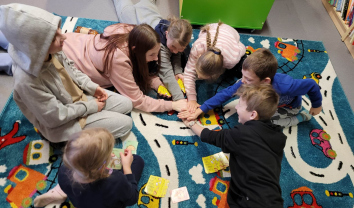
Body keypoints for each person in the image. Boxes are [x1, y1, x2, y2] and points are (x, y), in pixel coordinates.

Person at [0, 3, 133, 143]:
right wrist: (91, 107)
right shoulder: (27, 82)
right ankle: (68, 142)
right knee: (125, 124)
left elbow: (73, 70)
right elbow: (55, 117)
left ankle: (96, 116)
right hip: (64, 124)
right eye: (53, 38)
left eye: (58, 29)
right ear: (37, 47)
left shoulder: (52, 51)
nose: (63, 37)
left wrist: (93, 88)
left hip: (79, 100)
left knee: (126, 104)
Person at [181, 84, 286, 208]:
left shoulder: (241, 134)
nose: (236, 107)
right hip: (273, 200)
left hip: (249, 201)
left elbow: (210, 136)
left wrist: (191, 123)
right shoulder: (279, 136)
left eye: (240, 105)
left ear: (253, 115)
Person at [179, 48, 322, 128]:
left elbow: (311, 84)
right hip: (263, 102)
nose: (243, 81)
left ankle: (300, 118)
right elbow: (226, 93)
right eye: (243, 76)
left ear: (265, 81)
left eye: (248, 79)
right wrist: (201, 109)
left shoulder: (287, 86)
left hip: (287, 108)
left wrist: (317, 105)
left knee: (265, 126)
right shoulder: (246, 82)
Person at [63, 23, 187, 113]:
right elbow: (137, 100)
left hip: (73, 40)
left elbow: (138, 69)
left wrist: (156, 82)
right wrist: (173, 105)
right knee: (125, 104)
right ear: (135, 50)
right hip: (69, 59)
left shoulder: (133, 31)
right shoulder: (118, 60)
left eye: (157, 52)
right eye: (151, 55)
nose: (155, 58)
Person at [34, 128, 144, 208]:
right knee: (137, 160)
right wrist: (126, 167)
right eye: (109, 155)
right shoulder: (117, 180)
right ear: (101, 168)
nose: (111, 155)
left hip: (80, 199)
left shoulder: (63, 171)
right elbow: (132, 198)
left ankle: (60, 192)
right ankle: (61, 192)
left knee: (72, 183)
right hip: (106, 203)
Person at [112, 0, 193, 101]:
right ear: (167, 34)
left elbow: (177, 54)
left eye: (180, 49)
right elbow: (166, 73)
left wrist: (177, 72)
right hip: (134, 20)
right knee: (124, 6)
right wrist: (180, 99)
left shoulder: (175, 32)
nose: (175, 51)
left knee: (147, 3)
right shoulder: (160, 47)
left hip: (149, 12)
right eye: (173, 47)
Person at [183, 21, 246, 113]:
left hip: (231, 33)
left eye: (202, 76)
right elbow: (188, 73)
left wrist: (235, 46)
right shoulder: (198, 47)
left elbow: (242, 47)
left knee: (239, 67)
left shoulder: (231, 60)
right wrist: (192, 99)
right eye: (198, 73)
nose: (198, 77)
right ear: (199, 57)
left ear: (218, 72)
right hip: (211, 28)